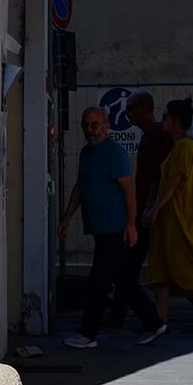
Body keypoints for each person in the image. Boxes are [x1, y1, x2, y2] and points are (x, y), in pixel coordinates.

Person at [59, 107, 164, 348]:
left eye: (95, 124)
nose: (90, 130)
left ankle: (88, 333)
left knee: (99, 282)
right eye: (86, 125)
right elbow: (80, 187)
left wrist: (130, 224)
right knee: (122, 279)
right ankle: (154, 322)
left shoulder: (115, 152)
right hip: (99, 227)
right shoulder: (86, 153)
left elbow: (128, 190)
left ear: (106, 125)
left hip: (114, 227)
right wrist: (67, 217)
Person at [141, 97, 193, 335]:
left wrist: (154, 209)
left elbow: (173, 182)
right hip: (169, 222)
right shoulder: (178, 147)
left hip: (180, 220)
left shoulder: (183, 147)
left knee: (187, 269)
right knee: (161, 271)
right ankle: (160, 320)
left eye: (165, 117)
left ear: (175, 121)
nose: (162, 121)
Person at [104, 91, 168, 329]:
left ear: (142, 108)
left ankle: (142, 317)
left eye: (129, 108)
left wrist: (148, 208)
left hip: (147, 210)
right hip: (145, 208)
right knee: (129, 263)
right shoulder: (150, 136)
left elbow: (156, 177)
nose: (126, 113)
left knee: (128, 264)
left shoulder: (155, 136)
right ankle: (119, 314)